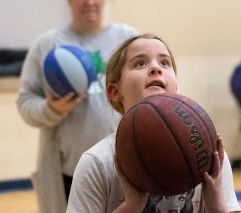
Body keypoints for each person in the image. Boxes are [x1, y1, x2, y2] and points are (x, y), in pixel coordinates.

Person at [66, 34, 241, 213]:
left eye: (165, 63)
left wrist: (216, 203)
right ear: (114, 91)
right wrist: (132, 205)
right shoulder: (96, 163)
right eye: (140, 63)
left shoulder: (208, 156)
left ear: (175, 85)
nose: (156, 68)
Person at [16, 0, 139, 212]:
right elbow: (25, 103)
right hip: (68, 172)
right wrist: (52, 110)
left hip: (122, 170)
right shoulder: (48, 44)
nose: (90, 3)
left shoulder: (128, 39)